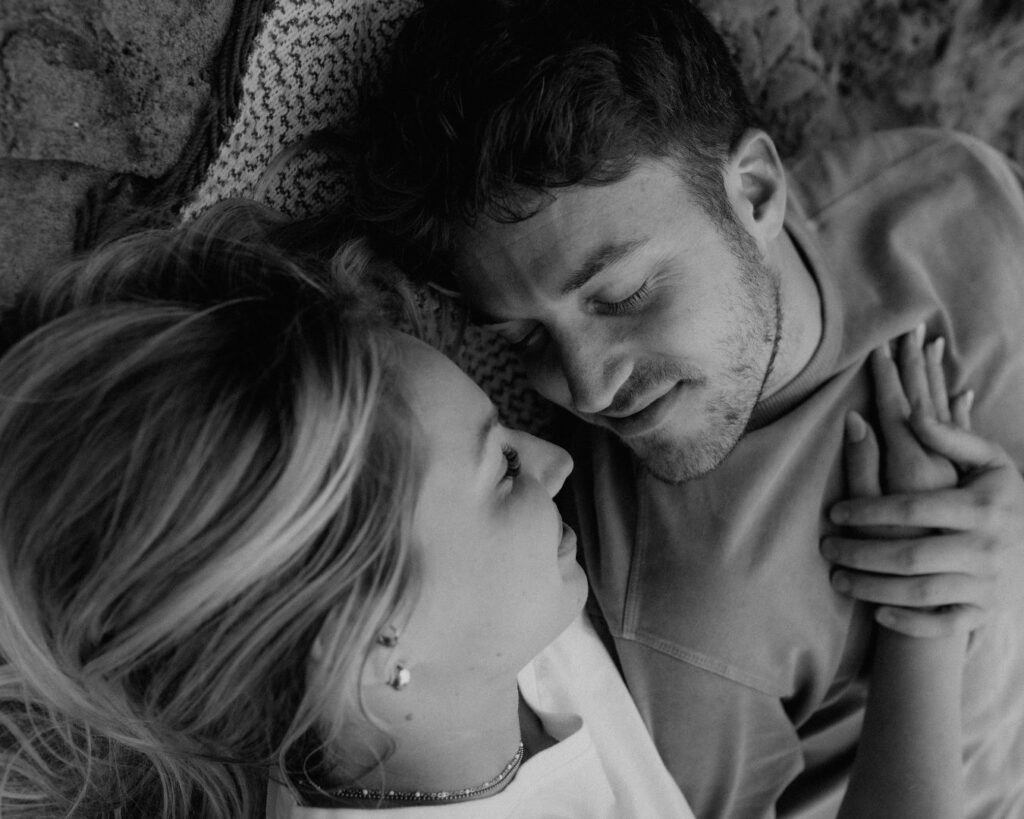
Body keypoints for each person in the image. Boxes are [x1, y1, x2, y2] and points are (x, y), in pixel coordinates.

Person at [0, 200, 998, 819]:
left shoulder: (463, 655)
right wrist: (928, 625)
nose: (557, 454)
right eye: (501, 475)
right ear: (372, 648)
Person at [346, 0, 1024, 816]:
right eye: (526, 341)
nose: (590, 389)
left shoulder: (951, 188)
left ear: (756, 191)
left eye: (623, 294)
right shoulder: (676, 609)